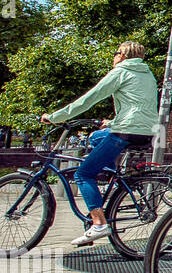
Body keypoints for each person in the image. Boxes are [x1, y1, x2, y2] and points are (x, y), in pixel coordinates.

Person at [40, 42, 159, 247]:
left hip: (126, 132)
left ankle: (98, 223)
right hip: (146, 131)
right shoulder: (148, 75)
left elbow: (89, 99)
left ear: (122, 55)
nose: (113, 57)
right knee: (96, 137)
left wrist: (55, 117)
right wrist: (112, 123)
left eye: (115, 53)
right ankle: (108, 180)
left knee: (83, 174)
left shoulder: (120, 72)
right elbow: (141, 107)